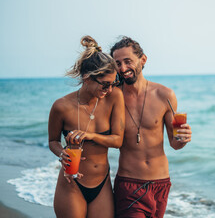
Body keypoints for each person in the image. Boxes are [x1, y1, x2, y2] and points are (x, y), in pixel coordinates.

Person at [110, 36, 192, 218]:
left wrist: (184, 138)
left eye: (127, 61)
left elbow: (174, 143)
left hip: (161, 183)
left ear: (143, 60)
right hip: (130, 183)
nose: (123, 68)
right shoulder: (113, 96)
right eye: (118, 63)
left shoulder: (165, 95)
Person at [48, 35, 125, 218]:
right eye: (105, 85)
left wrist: (89, 135)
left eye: (113, 84)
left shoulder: (114, 98)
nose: (110, 90)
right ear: (87, 78)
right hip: (71, 184)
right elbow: (52, 141)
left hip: (102, 184)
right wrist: (61, 153)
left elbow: (118, 140)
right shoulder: (61, 106)